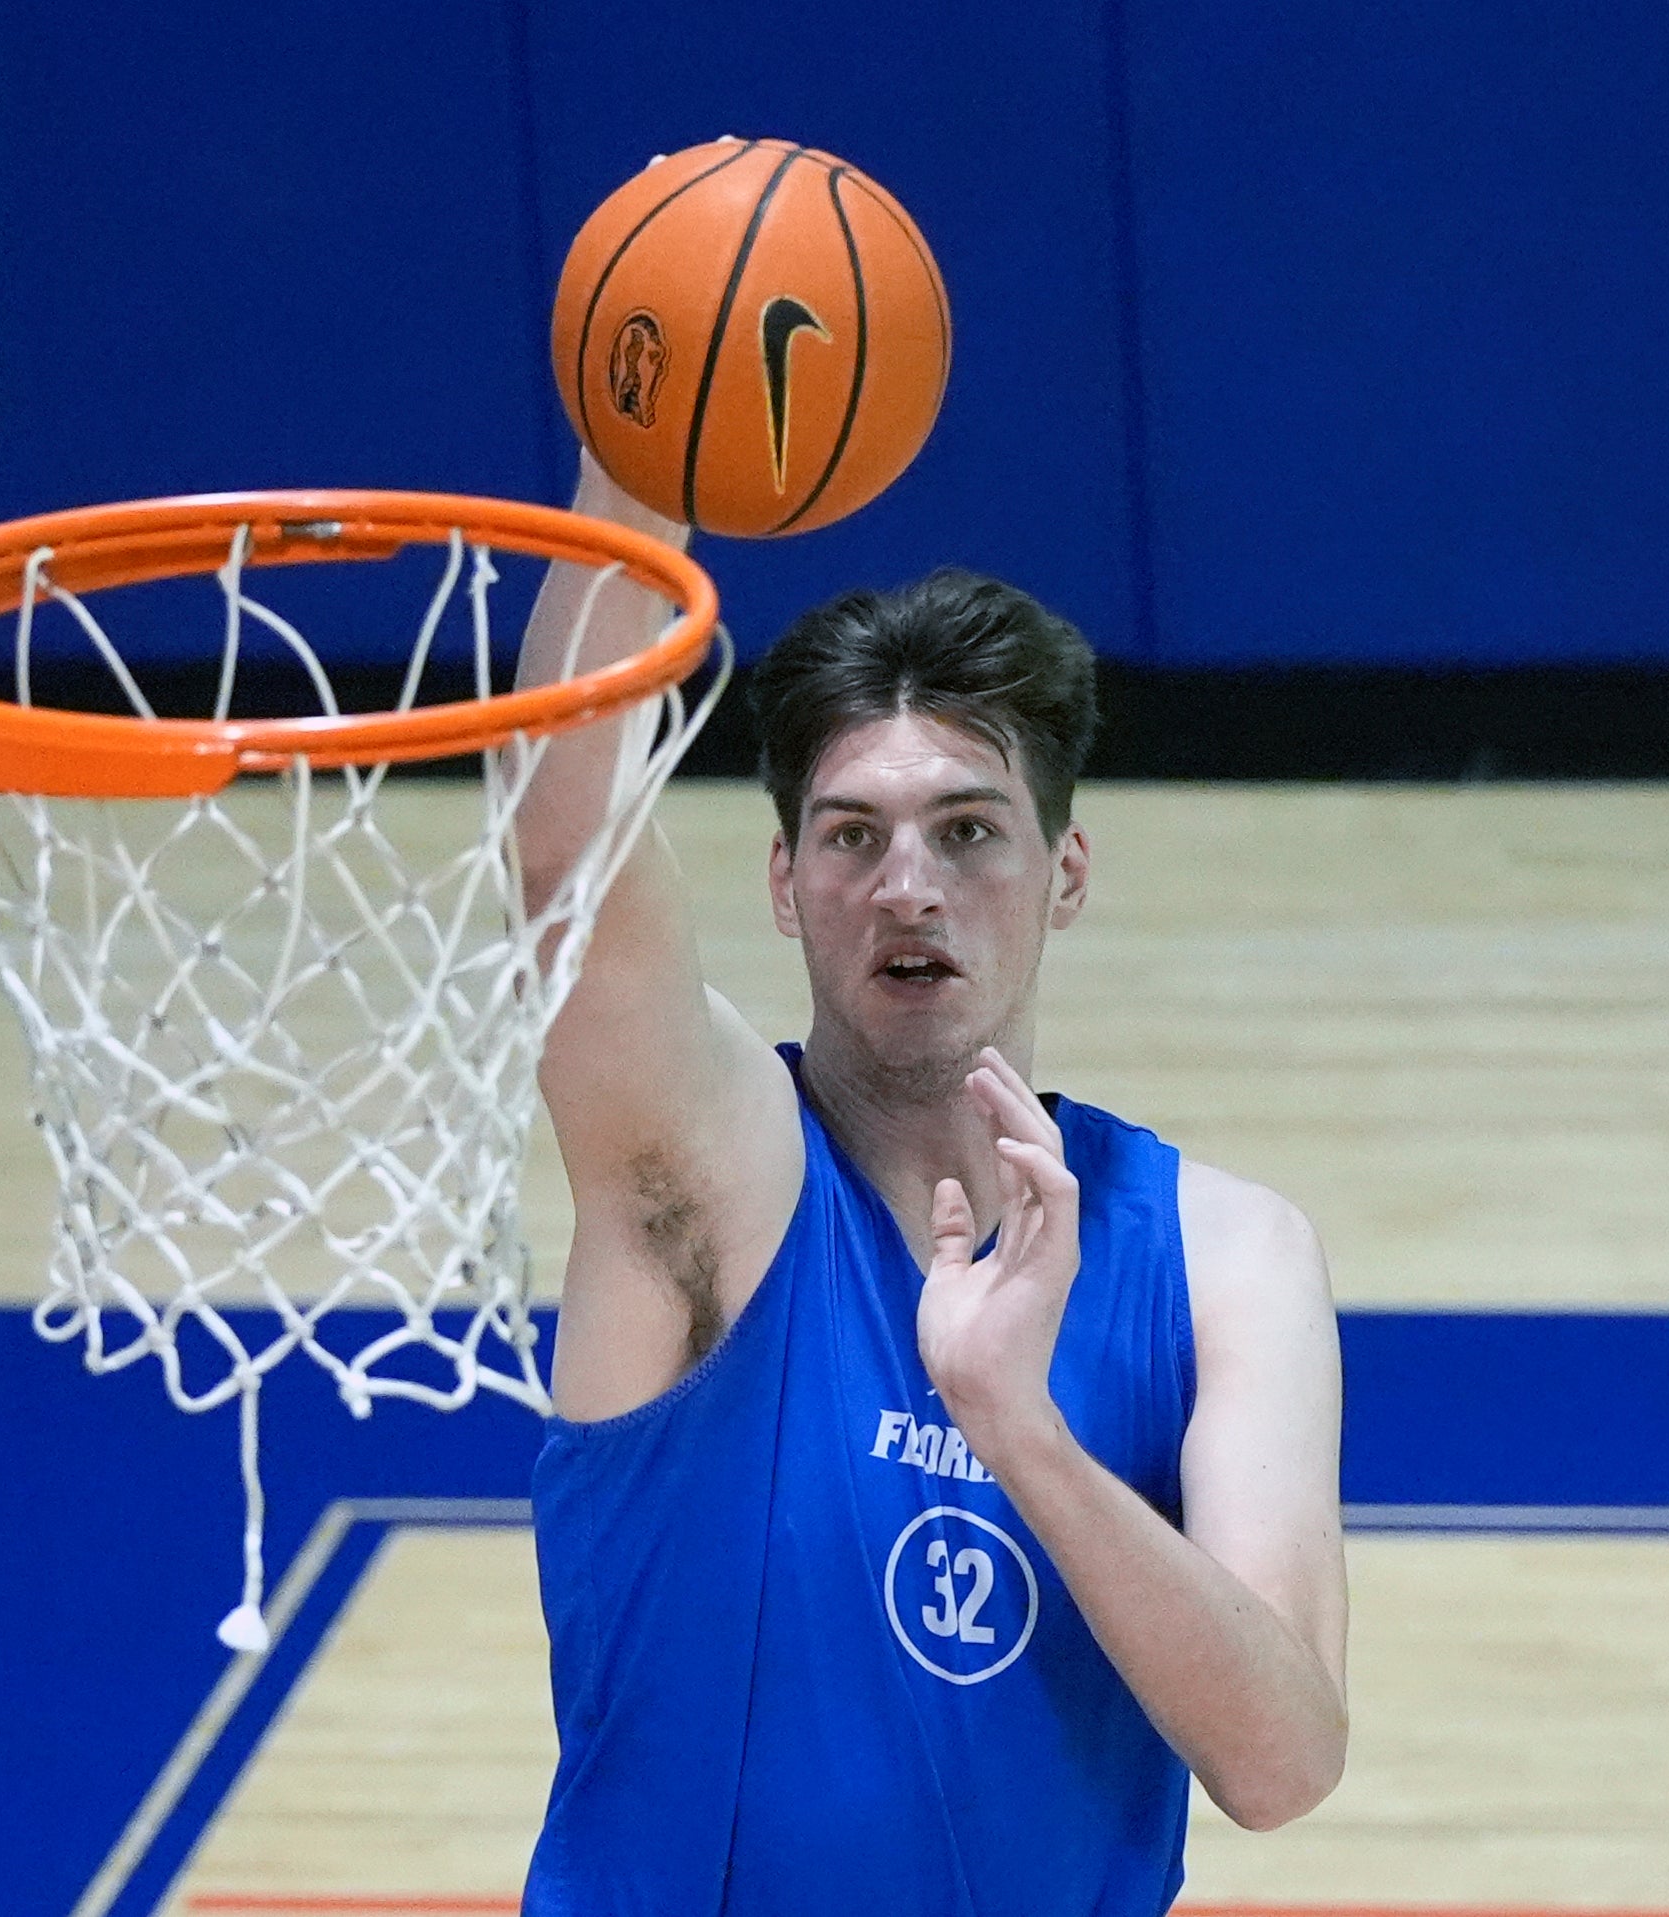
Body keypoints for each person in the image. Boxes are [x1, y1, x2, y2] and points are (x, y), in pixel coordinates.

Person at [516, 454, 1348, 1915]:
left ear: (1063, 871)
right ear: (783, 884)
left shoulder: (1230, 1260)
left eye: (966, 829)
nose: (909, 884)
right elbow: (561, 839)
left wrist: (1019, 1429)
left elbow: (1281, 1760)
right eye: (852, 837)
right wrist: (637, 457)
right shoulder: (712, 1174)